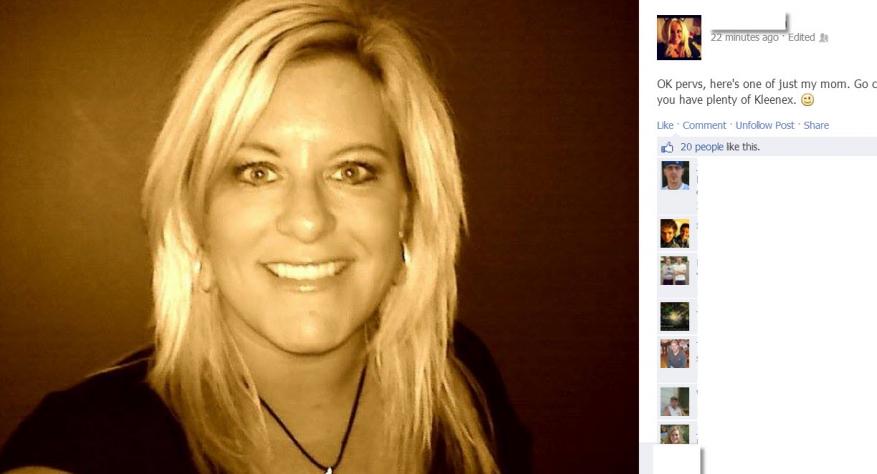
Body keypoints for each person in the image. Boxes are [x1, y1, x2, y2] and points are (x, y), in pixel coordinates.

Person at [0, 1, 530, 473]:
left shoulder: (460, 379)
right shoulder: (90, 446)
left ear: (407, 211)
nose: (308, 221)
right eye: (258, 172)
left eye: (351, 171)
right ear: (195, 219)